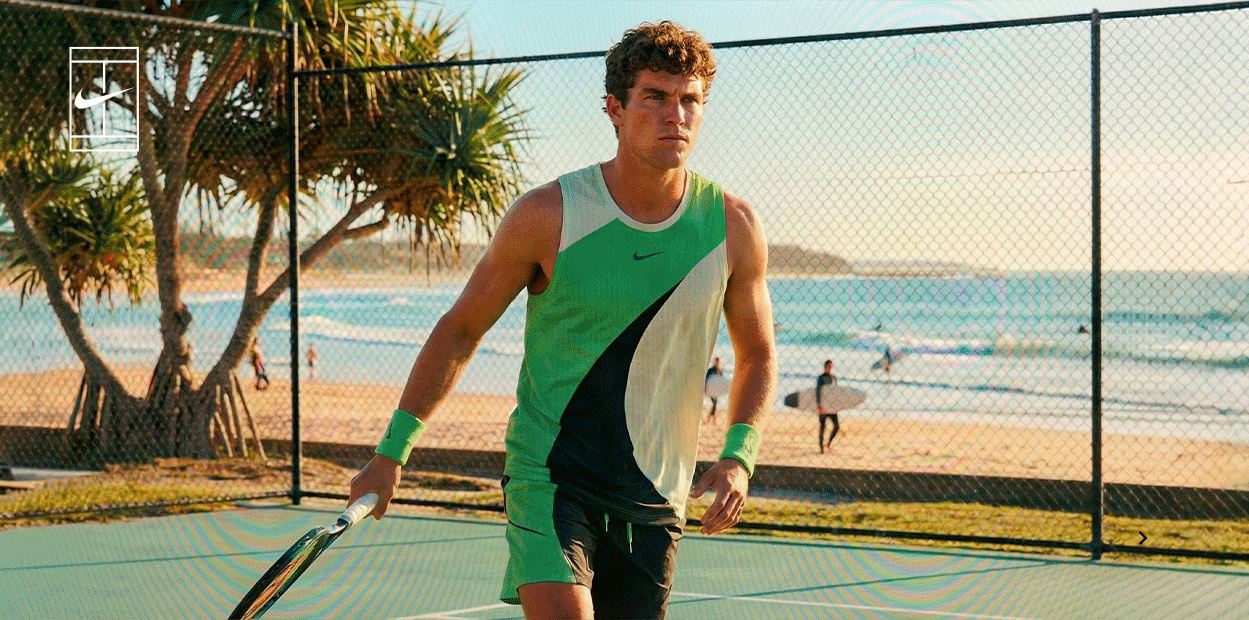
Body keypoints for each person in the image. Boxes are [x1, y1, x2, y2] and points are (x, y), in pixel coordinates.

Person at [348, 21, 777, 620]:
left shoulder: (732, 225)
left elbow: (756, 353)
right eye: (654, 97)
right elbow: (461, 330)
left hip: (656, 491)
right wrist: (392, 453)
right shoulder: (549, 214)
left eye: (689, 100)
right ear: (615, 109)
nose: (675, 115)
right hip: (550, 477)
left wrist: (739, 457)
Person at [816, 359, 838, 453]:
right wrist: (819, 405)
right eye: (829, 366)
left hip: (832, 406)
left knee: (837, 426)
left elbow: (836, 392)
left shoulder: (834, 378)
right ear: (825, 367)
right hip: (823, 406)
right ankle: (821, 448)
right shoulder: (821, 378)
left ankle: (828, 443)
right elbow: (818, 392)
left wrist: (837, 405)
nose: (830, 368)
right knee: (822, 427)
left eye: (831, 366)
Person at [704, 356, 724, 422]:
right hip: (710, 390)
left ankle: (711, 418)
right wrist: (705, 389)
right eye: (716, 362)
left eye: (718, 362)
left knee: (714, 404)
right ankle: (711, 419)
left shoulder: (720, 371)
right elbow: (706, 380)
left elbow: (721, 381)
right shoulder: (711, 370)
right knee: (713, 404)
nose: (717, 363)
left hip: (716, 390)